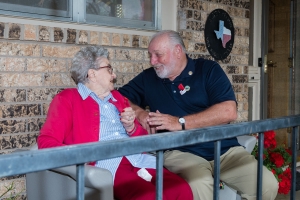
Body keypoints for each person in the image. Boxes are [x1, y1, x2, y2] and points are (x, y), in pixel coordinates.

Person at [118, 30, 279, 200]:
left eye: (158, 55)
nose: (152, 61)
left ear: (178, 51)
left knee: (266, 185)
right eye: (150, 55)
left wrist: (179, 122)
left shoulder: (208, 70)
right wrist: (140, 113)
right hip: (179, 152)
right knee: (199, 184)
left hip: (223, 149)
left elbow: (228, 111)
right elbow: (118, 97)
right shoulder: (148, 78)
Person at [38, 46, 193, 200]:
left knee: (181, 189)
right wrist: (81, 155)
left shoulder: (118, 98)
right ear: (92, 74)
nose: (114, 75)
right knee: (146, 196)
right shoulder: (67, 99)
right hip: (108, 165)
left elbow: (144, 139)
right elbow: (46, 142)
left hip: (138, 159)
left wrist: (132, 128)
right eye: (109, 69)